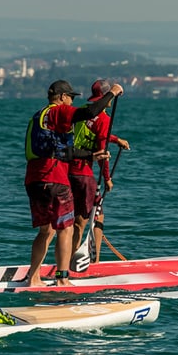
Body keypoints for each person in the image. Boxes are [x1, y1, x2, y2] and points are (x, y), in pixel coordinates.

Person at [24, 79, 122, 287]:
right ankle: (62, 280)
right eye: (69, 97)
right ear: (61, 97)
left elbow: (62, 151)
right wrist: (112, 93)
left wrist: (91, 155)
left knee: (45, 230)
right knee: (66, 228)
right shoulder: (58, 111)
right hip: (55, 180)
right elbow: (89, 113)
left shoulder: (38, 117)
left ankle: (33, 278)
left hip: (34, 180)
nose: (70, 102)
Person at [69, 79, 130, 263]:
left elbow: (95, 134)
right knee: (87, 218)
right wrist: (107, 178)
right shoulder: (104, 118)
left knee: (84, 216)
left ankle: (70, 259)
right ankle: (87, 262)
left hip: (67, 170)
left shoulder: (82, 112)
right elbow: (101, 152)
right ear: (105, 97)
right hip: (83, 174)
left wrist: (116, 139)